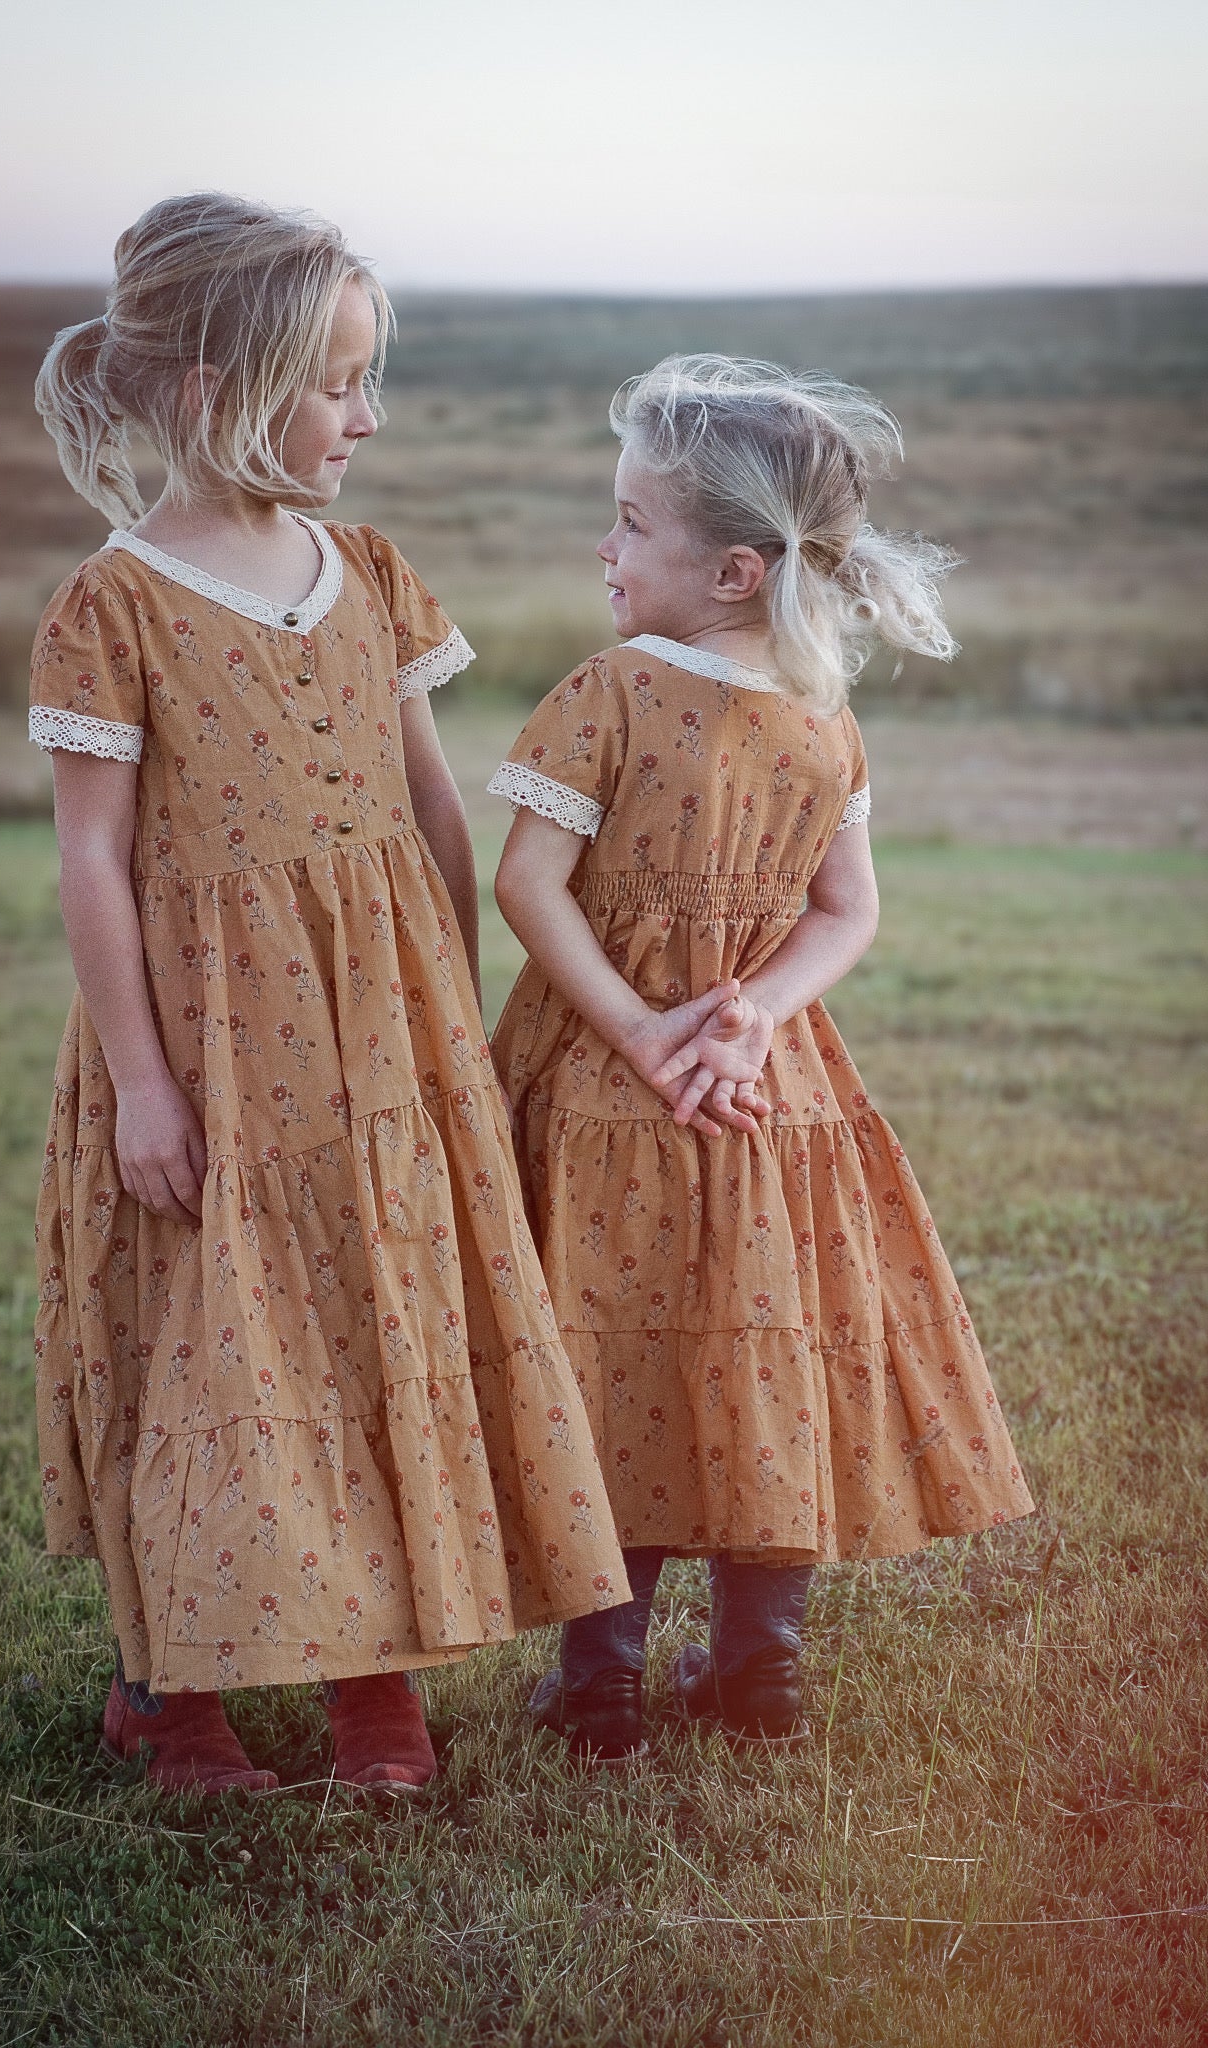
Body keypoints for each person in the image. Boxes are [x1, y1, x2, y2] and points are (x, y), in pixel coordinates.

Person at [27, 192, 643, 1798]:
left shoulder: (363, 567)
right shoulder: (117, 605)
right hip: (207, 1046)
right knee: (206, 1351)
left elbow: (429, 801)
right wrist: (145, 1085)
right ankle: (176, 1698)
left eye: (370, 380)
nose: (366, 416)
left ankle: (381, 1684)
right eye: (336, 381)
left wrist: (448, 990)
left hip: (379, 1040)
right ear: (207, 386)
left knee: (379, 1330)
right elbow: (93, 864)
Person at [489, 354, 1035, 1762]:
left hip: (618, 1086)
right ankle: (755, 1672)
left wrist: (655, 1030)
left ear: (733, 569)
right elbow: (845, 914)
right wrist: (752, 1018)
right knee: (760, 1362)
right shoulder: (822, 715)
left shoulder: (606, 691)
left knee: (611, 1358)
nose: (601, 546)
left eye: (627, 522)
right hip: (763, 1099)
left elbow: (527, 886)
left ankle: (603, 1680)